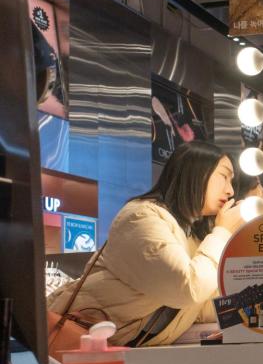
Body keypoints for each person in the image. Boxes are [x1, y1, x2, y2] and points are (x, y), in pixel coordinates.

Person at [48, 141, 244, 347]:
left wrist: (261, 302)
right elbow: (187, 288)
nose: (230, 190)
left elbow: (201, 305)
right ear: (195, 172)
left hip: (113, 351)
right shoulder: (141, 217)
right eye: (224, 176)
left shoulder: (192, 237)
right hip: (71, 343)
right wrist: (222, 232)